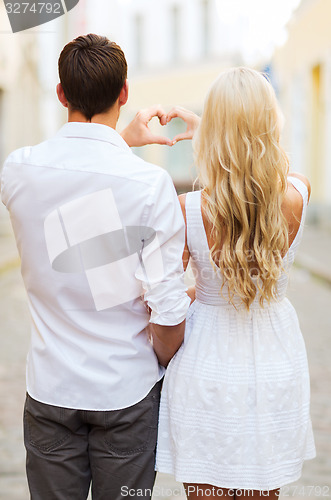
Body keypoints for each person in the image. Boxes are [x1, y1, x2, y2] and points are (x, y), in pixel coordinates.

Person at [0, 34, 191, 500]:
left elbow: (82, 179)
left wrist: (118, 143)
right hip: (126, 393)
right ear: (124, 93)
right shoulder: (150, 185)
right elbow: (168, 316)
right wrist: (159, 365)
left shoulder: (19, 169)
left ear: (61, 93)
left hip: (50, 390)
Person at [155, 68, 316, 498]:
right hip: (275, 364)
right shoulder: (297, 194)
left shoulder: (187, 209)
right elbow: (265, 166)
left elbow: (165, 299)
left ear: (215, 130)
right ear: (271, 124)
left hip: (205, 367)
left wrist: (209, 130)